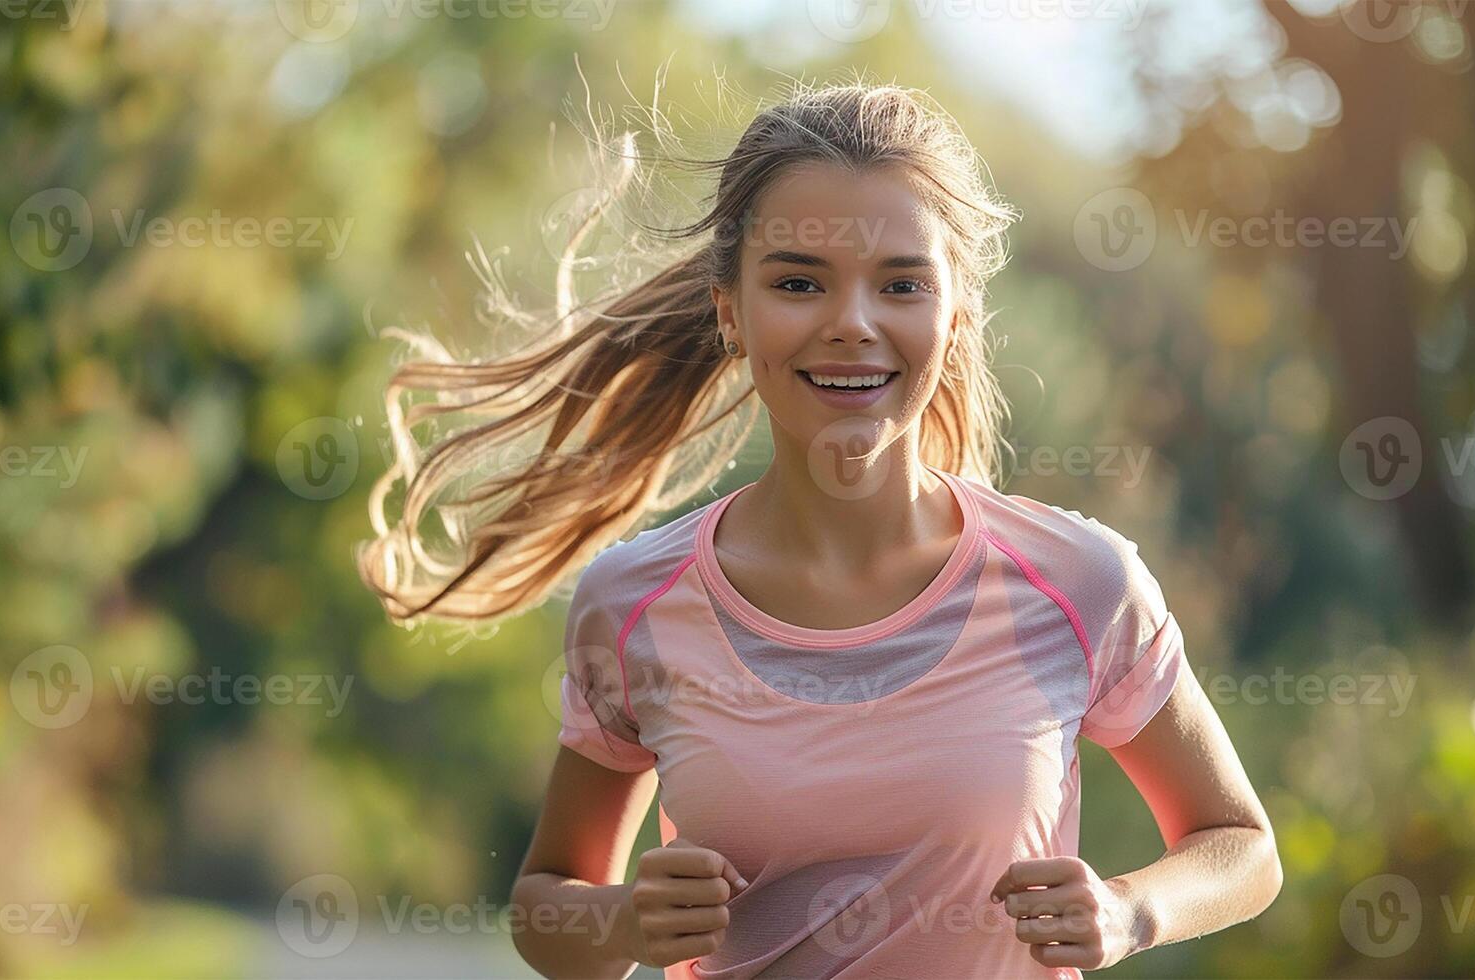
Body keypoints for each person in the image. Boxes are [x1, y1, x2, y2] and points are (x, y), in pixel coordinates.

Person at [358, 80, 1281, 979]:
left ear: (953, 315)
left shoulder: (1079, 583)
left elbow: (1240, 846)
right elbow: (545, 911)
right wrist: (625, 920)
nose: (853, 324)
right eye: (800, 282)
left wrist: (1130, 911)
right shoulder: (635, 604)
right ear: (731, 310)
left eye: (901, 284)